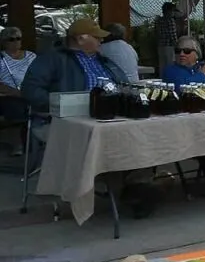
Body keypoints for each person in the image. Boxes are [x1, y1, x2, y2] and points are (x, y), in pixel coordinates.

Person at [21, 19, 128, 171]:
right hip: (64, 120)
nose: (101, 40)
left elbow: (125, 84)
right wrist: (61, 105)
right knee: (103, 138)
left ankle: (129, 179)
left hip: (108, 116)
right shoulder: (53, 59)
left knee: (139, 132)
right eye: (97, 37)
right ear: (80, 39)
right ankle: (98, 182)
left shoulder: (104, 60)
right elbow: (30, 89)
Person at [162, 36, 205, 196]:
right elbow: (181, 89)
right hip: (184, 120)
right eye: (178, 51)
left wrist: (199, 90)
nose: (181, 54)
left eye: (187, 51)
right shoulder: (170, 70)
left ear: (196, 53)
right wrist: (201, 77)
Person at [0, 26, 36, 157]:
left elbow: (40, 75)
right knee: (16, 107)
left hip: (30, 91)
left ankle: (36, 141)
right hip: (8, 95)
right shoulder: (1, 58)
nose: (15, 42)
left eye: (18, 39)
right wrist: (18, 93)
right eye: (11, 39)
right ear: (4, 42)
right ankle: (18, 143)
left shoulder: (31, 56)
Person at [155, 2, 178, 73]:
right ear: (169, 11)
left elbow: (156, 33)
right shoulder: (170, 20)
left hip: (160, 46)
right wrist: (177, 46)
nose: (173, 13)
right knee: (170, 66)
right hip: (169, 47)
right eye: (173, 11)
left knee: (162, 67)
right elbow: (173, 35)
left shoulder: (159, 20)